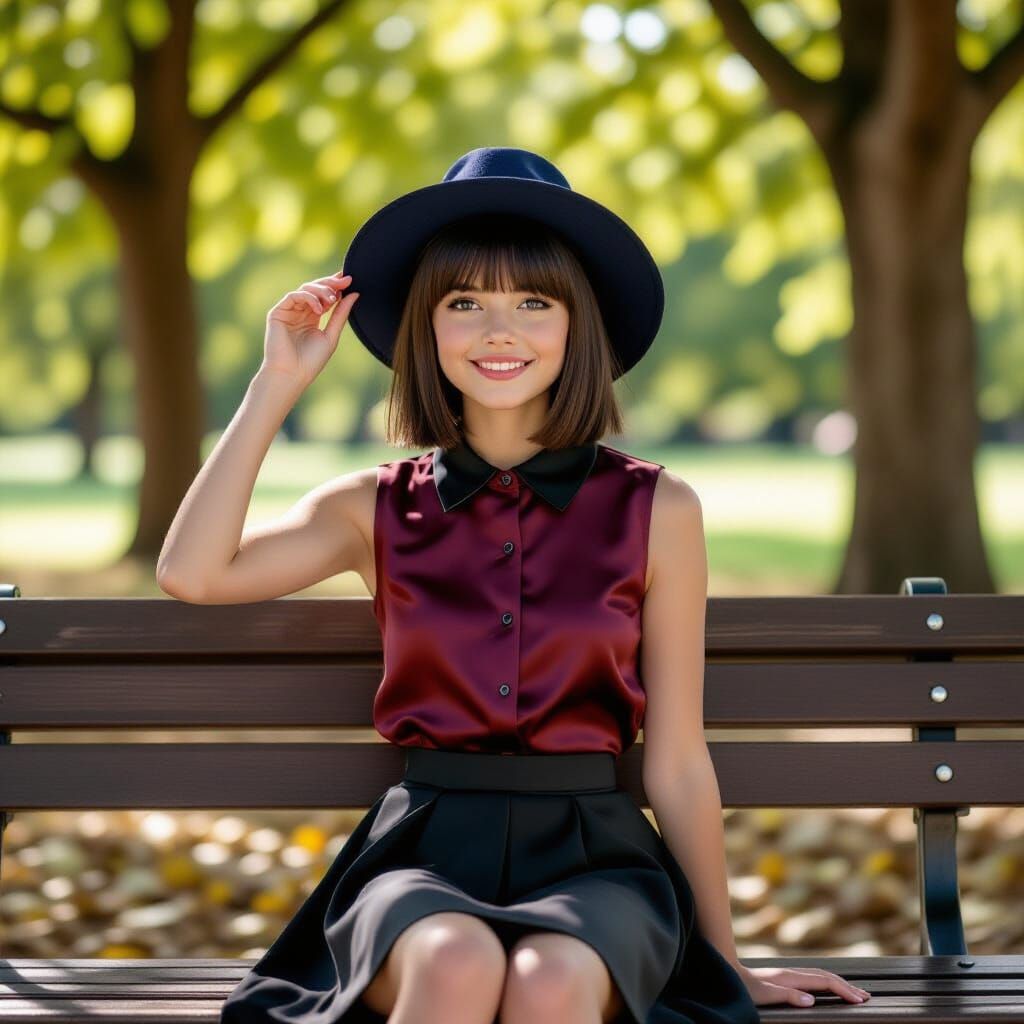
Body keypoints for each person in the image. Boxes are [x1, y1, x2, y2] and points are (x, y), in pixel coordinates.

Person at [157, 147, 871, 1023]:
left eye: (534, 302)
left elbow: (678, 758)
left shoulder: (658, 509)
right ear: (427, 328)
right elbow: (192, 573)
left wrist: (725, 962)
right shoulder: (373, 506)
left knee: (549, 978)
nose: (500, 331)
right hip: (420, 854)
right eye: (465, 303)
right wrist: (277, 384)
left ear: (578, 325)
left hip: (598, 861)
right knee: (454, 960)